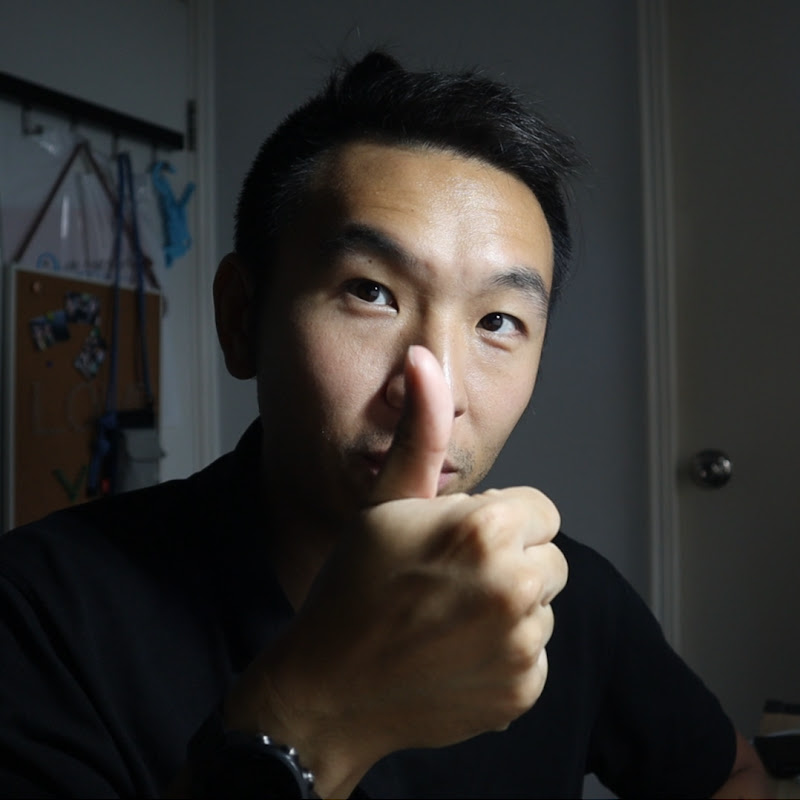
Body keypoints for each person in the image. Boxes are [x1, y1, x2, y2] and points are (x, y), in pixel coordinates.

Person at [0, 51, 767, 799]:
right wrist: (318, 712)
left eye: (498, 321)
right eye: (371, 293)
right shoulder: (42, 612)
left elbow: (733, 773)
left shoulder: (556, 594)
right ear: (240, 318)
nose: (437, 391)